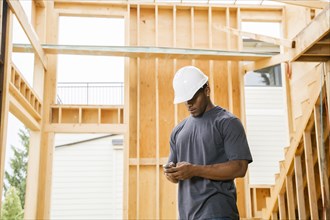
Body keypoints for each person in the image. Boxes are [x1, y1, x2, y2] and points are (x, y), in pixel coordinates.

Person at [164, 66, 253, 220]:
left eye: (193, 98)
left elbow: (240, 168)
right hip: (186, 215)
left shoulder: (227, 123)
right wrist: (171, 173)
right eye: (186, 100)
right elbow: (174, 177)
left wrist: (194, 170)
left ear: (207, 91)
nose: (189, 104)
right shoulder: (178, 130)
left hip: (219, 213)